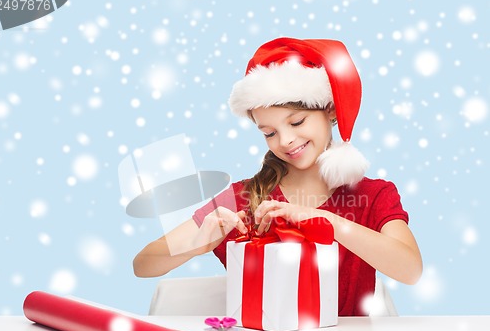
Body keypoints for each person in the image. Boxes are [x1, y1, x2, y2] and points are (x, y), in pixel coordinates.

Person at [133, 37, 422, 316]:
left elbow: (410, 270)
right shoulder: (243, 199)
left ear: (331, 111)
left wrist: (325, 221)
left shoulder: (371, 196)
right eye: (269, 133)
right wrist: (195, 245)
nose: (285, 140)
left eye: (297, 122)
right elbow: (142, 264)